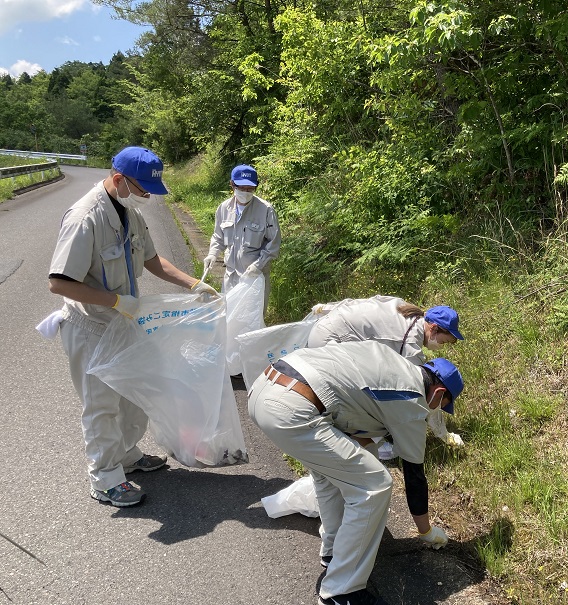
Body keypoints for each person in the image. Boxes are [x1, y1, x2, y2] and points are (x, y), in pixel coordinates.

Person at [48, 146, 219, 508]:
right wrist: (115, 302)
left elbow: (152, 259)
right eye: (142, 190)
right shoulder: (85, 218)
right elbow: (59, 283)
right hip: (92, 325)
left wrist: (193, 284)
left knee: (135, 395)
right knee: (101, 405)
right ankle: (105, 477)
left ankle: (126, 455)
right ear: (119, 180)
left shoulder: (127, 211)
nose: (147, 198)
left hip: (125, 321)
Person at [248, 341, 463, 605]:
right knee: (374, 485)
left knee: (339, 472)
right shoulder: (412, 400)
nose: (437, 410)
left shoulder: (393, 364)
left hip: (266, 388)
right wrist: (427, 532)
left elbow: (354, 423)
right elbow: (414, 475)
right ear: (438, 392)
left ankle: (334, 552)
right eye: (443, 404)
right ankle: (341, 593)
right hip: (294, 406)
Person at [307, 296, 465, 455]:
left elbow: (366, 302)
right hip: (329, 343)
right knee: (366, 392)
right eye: (443, 342)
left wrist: (326, 308)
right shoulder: (409, 342)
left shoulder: (407, 310)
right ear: (434, 329)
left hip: (327, 324)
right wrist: (444, 435)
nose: (440, 347)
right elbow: (421, 393)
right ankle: (368, 442)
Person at [203, 164, 280, 310]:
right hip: (231, 276)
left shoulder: (266, 210)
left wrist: (258, 265)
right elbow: (218, 237)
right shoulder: (224, 208)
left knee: (251, 322)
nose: (245, 192)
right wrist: (212, 254)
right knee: (228, 317)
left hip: (254, 277)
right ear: (232, 185)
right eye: (241, 188)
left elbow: (273, 243)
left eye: (250, 189)